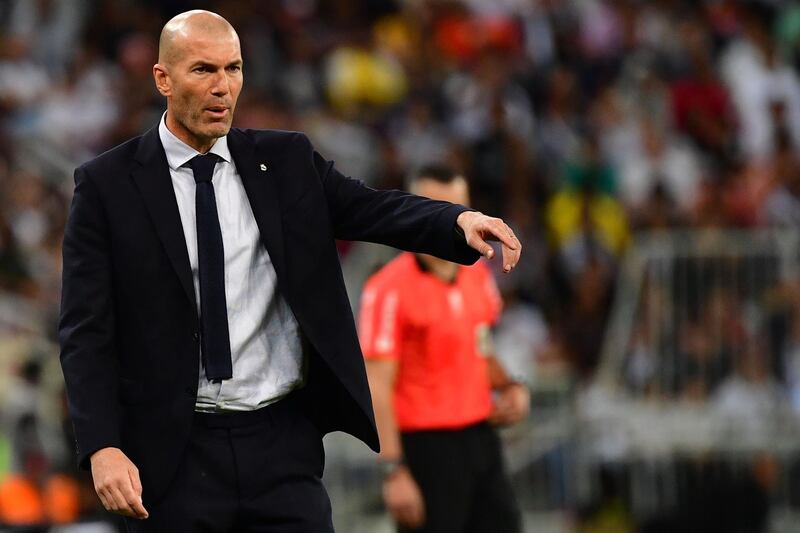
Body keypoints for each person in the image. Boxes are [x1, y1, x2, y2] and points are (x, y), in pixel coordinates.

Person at [57, 10, 521, 532]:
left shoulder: (286, 161)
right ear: (163, 78)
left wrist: (457, 220)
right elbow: (85, 333)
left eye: (233, 69)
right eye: (203, 70)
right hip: (174, 454)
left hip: (280, 445)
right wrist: (102, 445)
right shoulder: (108, 185)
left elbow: (373, 209)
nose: (222, 87)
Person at [359, 165, 529, 533]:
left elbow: (479, 348)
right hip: (427, 451)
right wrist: (393, 471)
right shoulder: (388, 289)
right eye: (436, 207)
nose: (451, 219)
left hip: (481, 441)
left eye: (458, 208)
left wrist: (509, 387)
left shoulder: (476, 275)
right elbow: (377, 386)